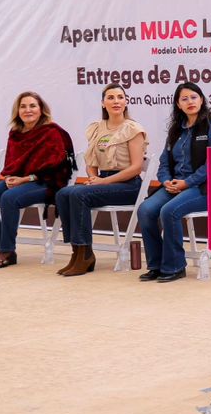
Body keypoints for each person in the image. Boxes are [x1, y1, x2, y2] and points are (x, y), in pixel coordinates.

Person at [54, 83, 148, 277]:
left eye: (120, 97)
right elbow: (91, 160)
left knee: (79, 195)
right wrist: (93, 178)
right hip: (102, 181)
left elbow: (136, 167)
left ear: (126, 101)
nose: (116, 101)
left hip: (128, 185)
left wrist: (103, 182)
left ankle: (85, 254)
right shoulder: (97, 128)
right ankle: (77, 251)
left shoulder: (133, 129)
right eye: (111, 98)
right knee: (63, 193)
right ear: (103, 103)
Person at [138, 82, 211, 283]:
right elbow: (164, 162)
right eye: (184, 99)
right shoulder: (176, 129)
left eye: (194, 97)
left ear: (202, 100)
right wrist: (166, 181)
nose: (190, 102)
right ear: (178, 105)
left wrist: (187, 183)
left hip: (204, 188)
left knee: (169, 211)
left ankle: (175, 266)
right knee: (145, 210)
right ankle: (156, 265)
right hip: (175, 185)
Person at [0, 91, 73, 268]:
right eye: (23, 106)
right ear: (17, 111)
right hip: (21, 180)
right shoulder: (15, 133)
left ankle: (6, 250)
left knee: (9, 198)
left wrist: (26, 179)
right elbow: (11, 162)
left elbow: (58, 167)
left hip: (47, 182)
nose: (28, 110)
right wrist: (10, 177)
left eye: (32, 106)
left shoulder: (52, 132)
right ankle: (1, 246)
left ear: (41, 109)